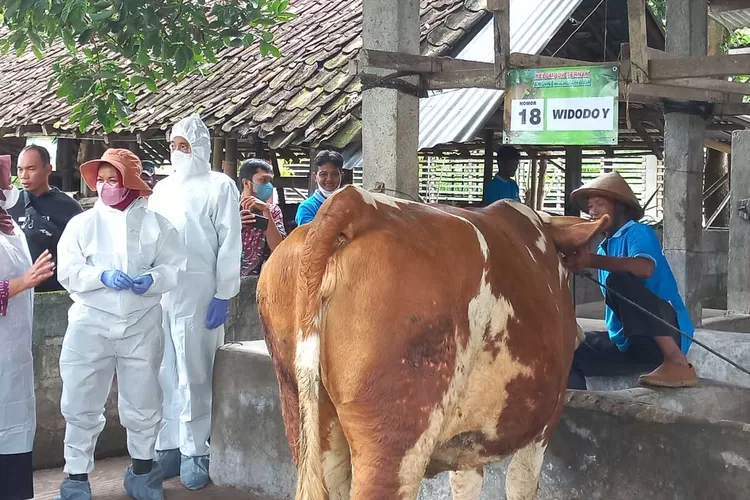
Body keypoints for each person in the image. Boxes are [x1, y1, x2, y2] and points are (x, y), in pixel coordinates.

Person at [55, 149, 186, 500]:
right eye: (101, 180)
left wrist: (154, 279)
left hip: (141, 323)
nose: (106, 187)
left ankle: (143, 471)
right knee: (81, 401)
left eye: (114, 180)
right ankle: (76, 478)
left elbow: (174, 267)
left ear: (131, 183)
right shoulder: (82, 224)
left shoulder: (158, 225)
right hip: (90, 322)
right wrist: (100, 275)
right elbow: (67, 271)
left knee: (143, 401)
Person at [148, 114, 242, 490]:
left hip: (200, 289)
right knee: (163, 371)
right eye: (173, 145)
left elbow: (229, 242)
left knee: (195, 373)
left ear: (200, 148)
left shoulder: (220, 186)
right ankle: (166, 445)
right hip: (162, 290)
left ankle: (196, 449)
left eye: (184, 146)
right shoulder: (162, 189)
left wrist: (224, 293)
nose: (178, 152)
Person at [564, 171, 698, 389]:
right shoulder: (604, 247)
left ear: (620, 207)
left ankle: (676, 361)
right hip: (629, 344)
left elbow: (644, 268)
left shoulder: (638, 232)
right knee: (566, 351)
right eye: (590, 206)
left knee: (619, 280)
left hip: (666, 333)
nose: (593, 211)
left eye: (600, 203)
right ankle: (577, 414)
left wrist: (591, 260)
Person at [0, 154, 55, 500]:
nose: (10, 188)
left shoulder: (7, 224)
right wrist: (24, 281)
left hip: (13, 348)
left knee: (14, 426)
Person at [9, 144, 83, 291]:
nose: (24, 175)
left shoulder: (69, 207)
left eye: (31, 169)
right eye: (20, 169)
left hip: (55, 291)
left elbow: (81, 251)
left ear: (48, 169)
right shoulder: (9, 203)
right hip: (16, 290)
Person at [238, 159, 286, 276]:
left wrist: (266, 212)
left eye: (270, 181)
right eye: (263, 180)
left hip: (263, 279)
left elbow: (278, 248)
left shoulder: (273, 210)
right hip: (230, 279)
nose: (268, 186)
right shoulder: (229, 208)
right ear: (246, 183)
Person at [295, 150, 343, 226]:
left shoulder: (352, 204)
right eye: (323, 174)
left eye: (334, 174)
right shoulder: (307, 208)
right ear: (315, 177)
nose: (329, 179)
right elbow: (309, 236)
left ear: (341, 175)